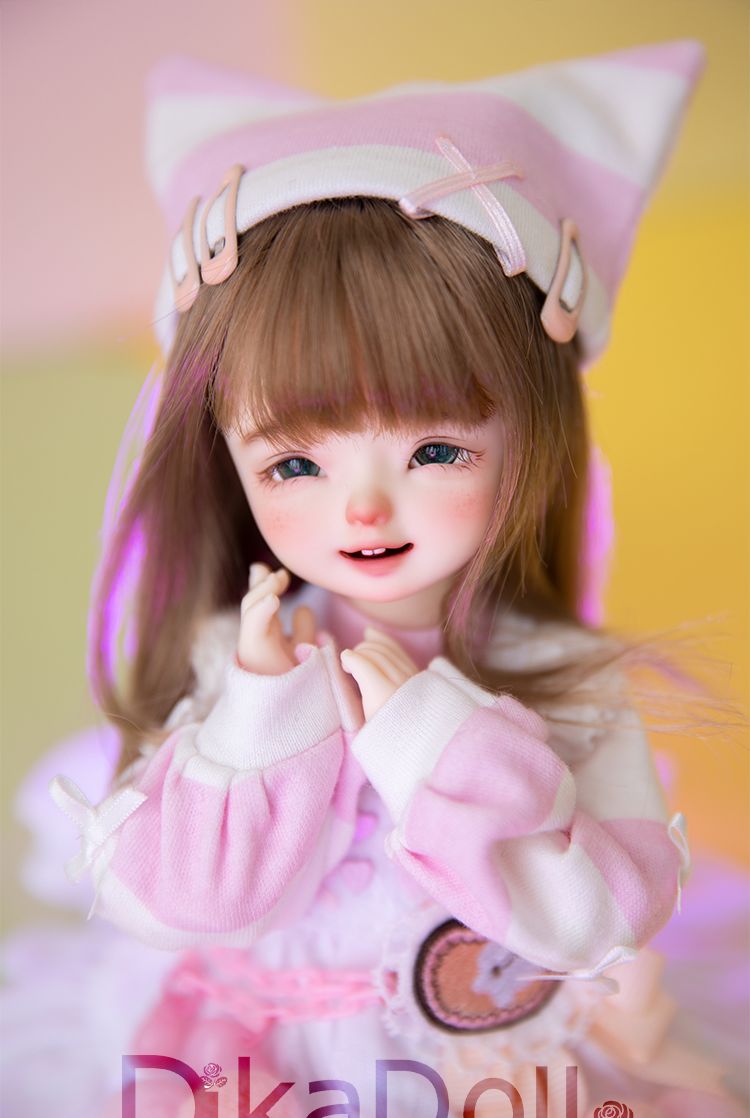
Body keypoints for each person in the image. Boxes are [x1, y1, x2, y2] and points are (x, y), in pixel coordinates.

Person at [32, 40, 746, 1117]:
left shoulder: (567, 676)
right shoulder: (238, 661)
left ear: (535, 438)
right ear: (227, 461)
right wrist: (261, 719)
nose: (363, 509)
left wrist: (443, 746)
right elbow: (183, 907)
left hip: (496, 1072)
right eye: (295, 465)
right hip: (254, 1069)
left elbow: (593, 921)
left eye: (435, 450)